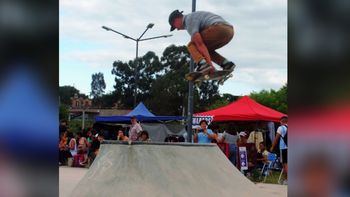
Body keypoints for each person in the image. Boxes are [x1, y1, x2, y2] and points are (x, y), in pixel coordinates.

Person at [168, 10, 235, 73]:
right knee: (205, 50)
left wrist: (210, 66)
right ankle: (226, 64)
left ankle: (204, 65)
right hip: (229, 31)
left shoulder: (188, 20)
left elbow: (200, 44)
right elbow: (203, 47)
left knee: (192, 45)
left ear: (176, 20)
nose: (177, 29)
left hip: (219, 28)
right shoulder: (193, 17)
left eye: (174, 26)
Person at [270, 116, 288, 182]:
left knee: (285, 164)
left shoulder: (281, 128)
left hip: (284, 148)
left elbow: (276, 138)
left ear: (281, 121)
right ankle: (285, 179)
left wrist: (272, 147)